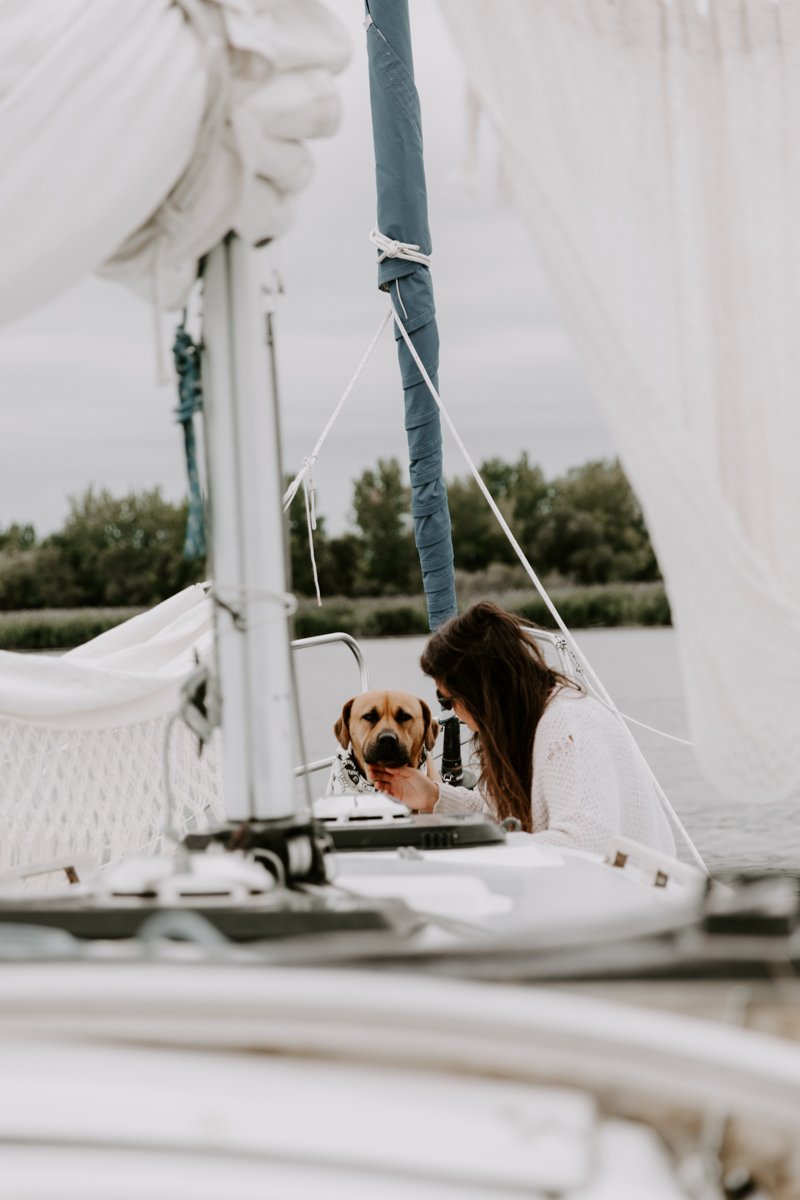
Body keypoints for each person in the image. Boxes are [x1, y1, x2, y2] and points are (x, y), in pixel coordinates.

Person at [368, 601, 677, 857]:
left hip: (628, 909)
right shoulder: (533, 724)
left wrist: (480, 852)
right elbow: (500, 813)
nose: (453, 715)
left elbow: (585, 843)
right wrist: (433, 796)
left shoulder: (567, 728)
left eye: (448, 701)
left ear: (482, 694)